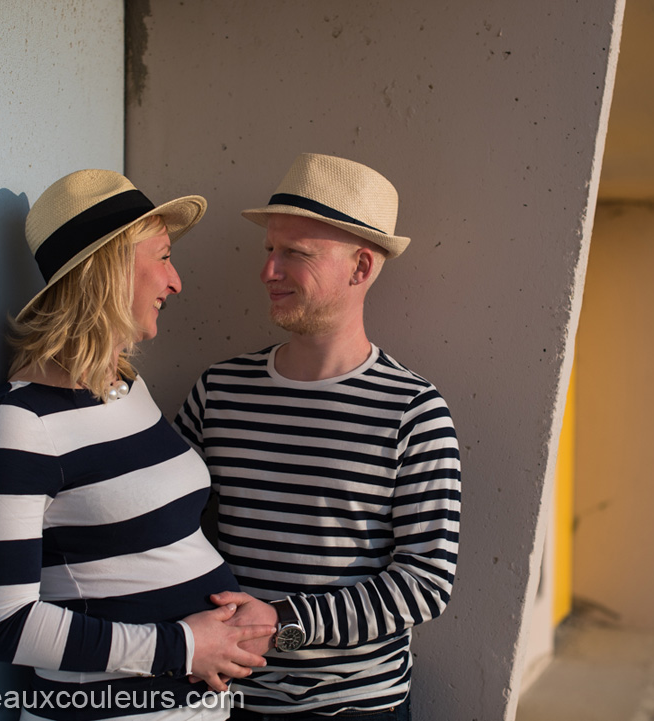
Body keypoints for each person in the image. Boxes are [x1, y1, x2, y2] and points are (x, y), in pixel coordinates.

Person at [0, 169, 274, 721]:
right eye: (162, 256)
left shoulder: (125, 388)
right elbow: (3, 625)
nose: (175, 281)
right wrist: (182, 647)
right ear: (105, 271)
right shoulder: (19, 423)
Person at [175, 153, 462, 719]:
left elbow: (426, 581)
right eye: (270, 251)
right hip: (219, 699)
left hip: (353, 707)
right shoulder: (218, 390)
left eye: (295, 254)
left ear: (360, 268)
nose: (268, 272)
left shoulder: (412, 411)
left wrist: (281, 623)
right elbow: (168, 524)